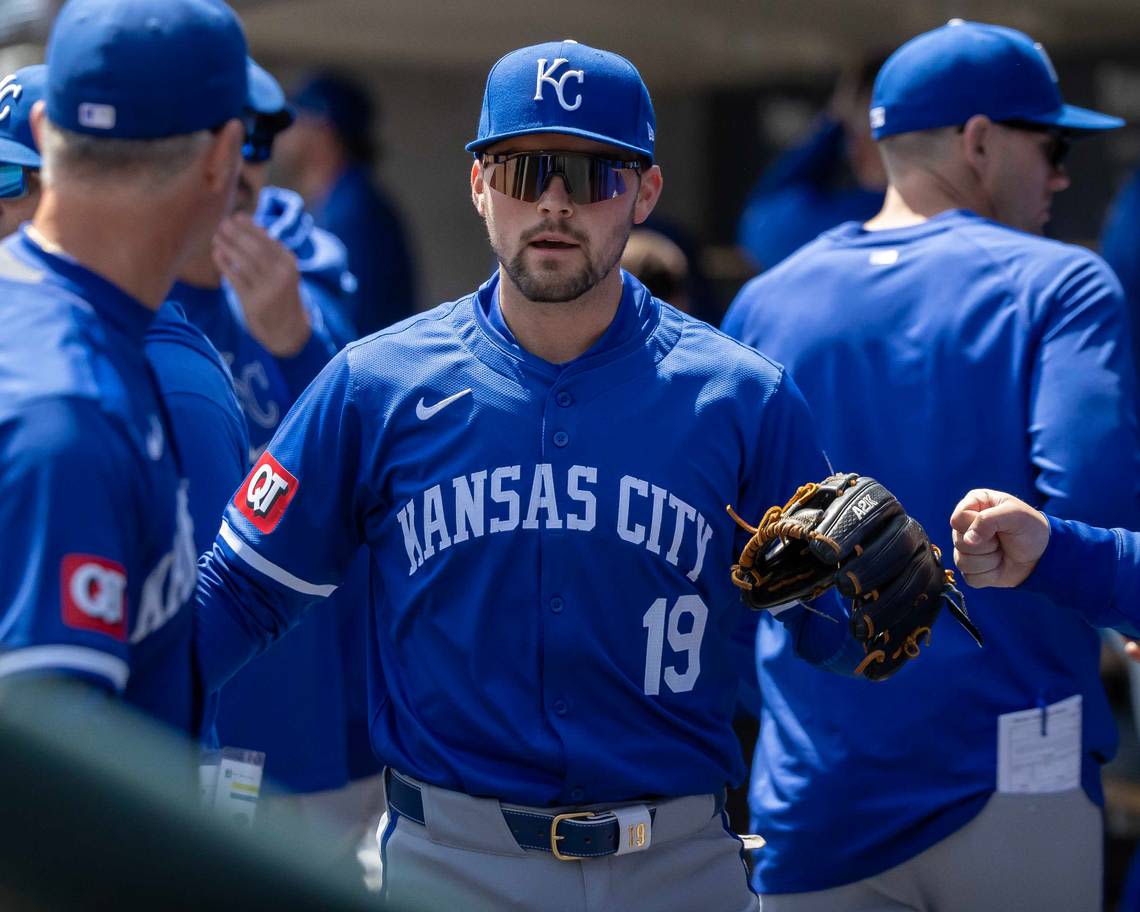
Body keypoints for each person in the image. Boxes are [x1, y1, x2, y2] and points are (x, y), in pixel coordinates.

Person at [189, 39, 919, 912]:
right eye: (526, 169)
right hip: (450, 857)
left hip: (678, 860)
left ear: (645, 192)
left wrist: (865, 619)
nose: (556, 203)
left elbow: (839, 638)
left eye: (592, 174)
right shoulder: (376, 384)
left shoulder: (742, 398)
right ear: (479, 186)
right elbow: (238, 595)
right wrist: (85, 719)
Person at [721, 19, 1139, 912]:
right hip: (1011, 782)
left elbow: (723, 551)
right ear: (981, 142)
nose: (1061, 174)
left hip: (813, 791)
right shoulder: (1061, 283)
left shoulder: (763, 301)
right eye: (1052, 145)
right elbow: (1101, 515)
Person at [0, 0, 247, 732]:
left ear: (46, 134)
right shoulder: (71, 408)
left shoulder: (81, 328)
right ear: (222, 159)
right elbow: (51, 797)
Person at [0, 61, 250, 566]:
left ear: (74, 187)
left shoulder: (175, 387)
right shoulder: (28, 338)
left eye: (6, 179)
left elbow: (203, 631)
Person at [274, 72, 416, 335]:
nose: (282, 132)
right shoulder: (342, 200)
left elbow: (351, 322)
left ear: (321, 127)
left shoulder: (356, 211)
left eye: (292, 117)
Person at [736, 56, 887, 272]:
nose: (852, 149)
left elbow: (761, 223)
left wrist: (835, 121)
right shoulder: (943, 213)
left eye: (857, 136)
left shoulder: (854, 217)